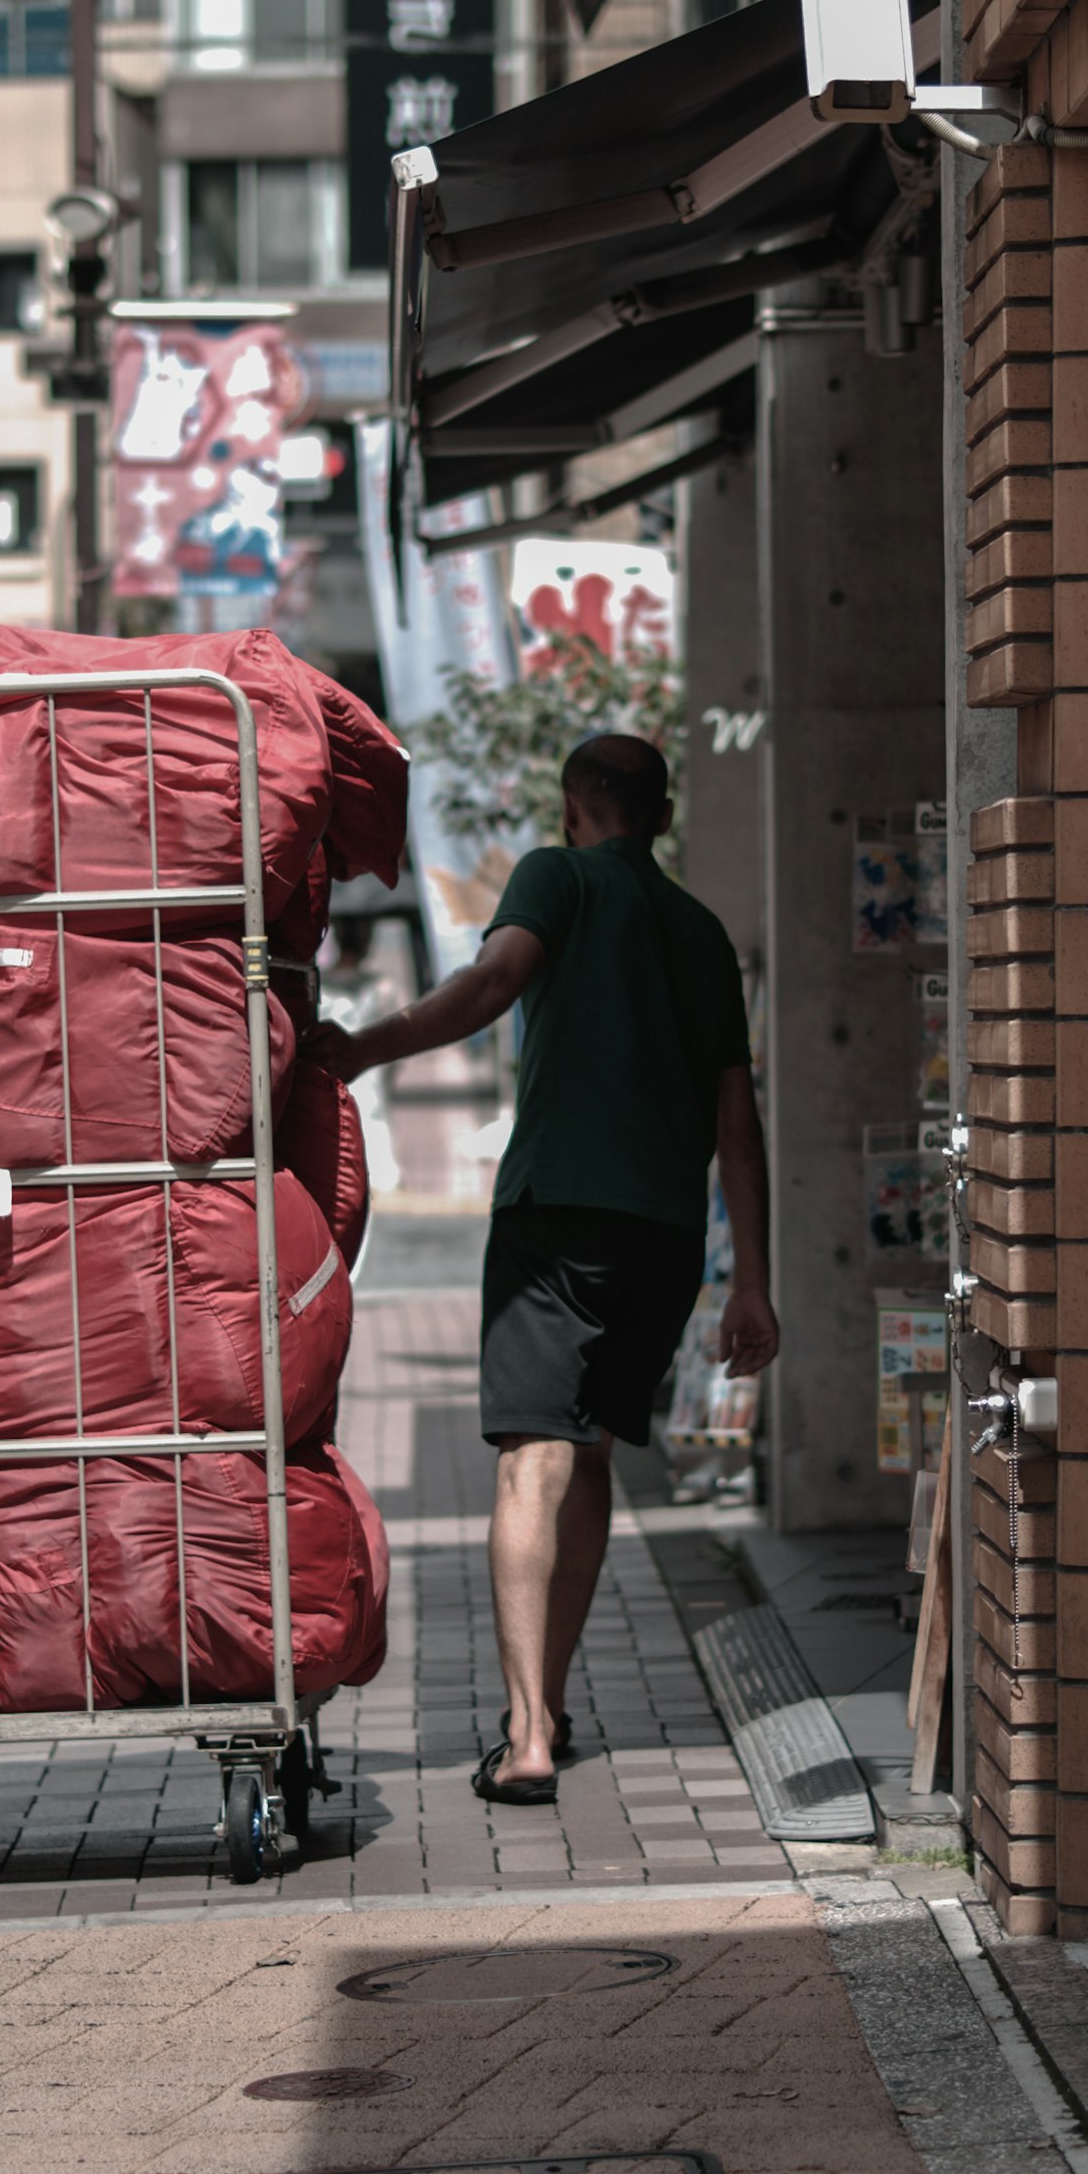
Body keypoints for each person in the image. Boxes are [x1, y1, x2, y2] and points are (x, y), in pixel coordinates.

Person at [308, 732, 778, 1808]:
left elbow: (489, 984)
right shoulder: (699, 930)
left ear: (577, 808)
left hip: (557, 1212)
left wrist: (359, 1049)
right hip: (661, 1229)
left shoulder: (554, 874)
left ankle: (524, 1736)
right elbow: (738, 1123)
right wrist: (749, 1279)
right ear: (658, 816)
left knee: (533, 1462)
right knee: (594, 1459)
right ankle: (551, 1705)